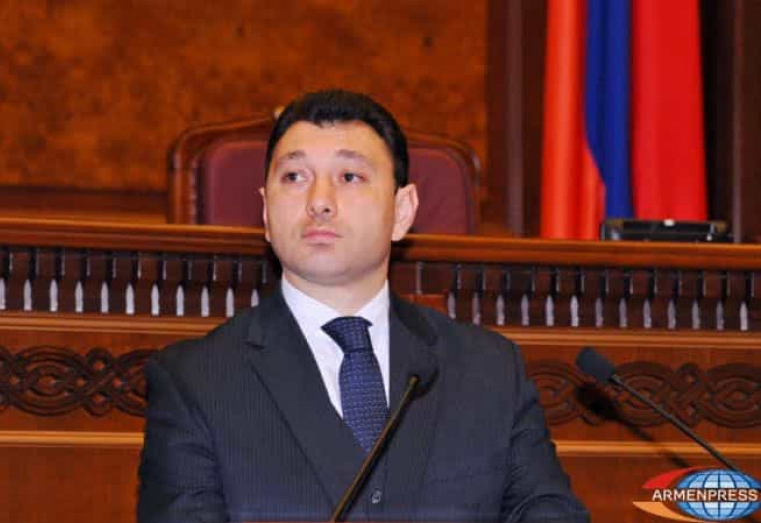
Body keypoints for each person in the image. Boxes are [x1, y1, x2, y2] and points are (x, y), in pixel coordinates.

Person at [137, 89, 589, 523]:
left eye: (349, 177)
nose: (319, 202)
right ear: (266, 212)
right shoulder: (196, 382)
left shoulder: (489, 370)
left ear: (402, 211)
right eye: (294, 177)